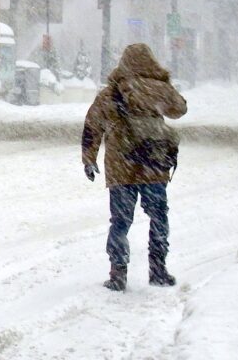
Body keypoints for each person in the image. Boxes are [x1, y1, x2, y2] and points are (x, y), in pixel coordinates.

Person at [81, 43, 187, 291]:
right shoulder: (159, 89)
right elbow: (180, 108)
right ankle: (158, 269)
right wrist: (162, 87)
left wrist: (89, 158)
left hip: (121, 168)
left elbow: (92, 126)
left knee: (120, 221)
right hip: (153, 166)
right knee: (158, 217)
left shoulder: (111, 93)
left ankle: (118, 272)